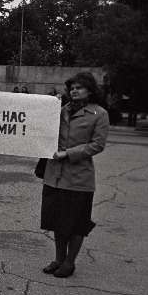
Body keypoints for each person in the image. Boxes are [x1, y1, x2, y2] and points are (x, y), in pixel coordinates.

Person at [40, 72, 109, 278]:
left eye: (79, 87)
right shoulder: (61, 111)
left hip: (79, 179)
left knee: (76, 224)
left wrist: (68, 154)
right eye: (72, 88)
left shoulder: (99, 114)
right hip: (55, 176)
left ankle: (70, 263)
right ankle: (58, 259)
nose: (74, 91)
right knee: (57, 222)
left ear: (90, 90)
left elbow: (98, 145)